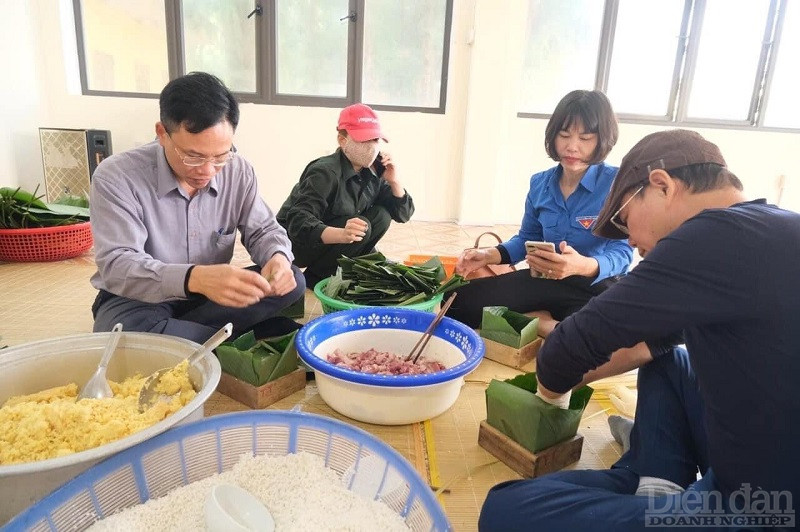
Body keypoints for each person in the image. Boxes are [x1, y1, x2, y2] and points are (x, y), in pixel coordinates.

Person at [479, 130, 800, 531]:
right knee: (670, 361)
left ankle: (657, 482)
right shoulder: (771, 226)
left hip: (765, 504)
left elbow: (566, 350)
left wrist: (550, 397)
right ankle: (658, 481)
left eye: (626, 221)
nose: (630, 239)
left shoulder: (710, 237)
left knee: (505, 510)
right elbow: (646, 344)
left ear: (662, 186)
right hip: (758, 452)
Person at [90, 72, 305, 344]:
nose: (207, 170)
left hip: (209, 298)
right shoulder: (117, 176)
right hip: (138, 300)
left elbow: (263, 229)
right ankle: (237, 337)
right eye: (193, 156)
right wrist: (195, 278)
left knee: (293, 281)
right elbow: (118, 264)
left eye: (220, 156)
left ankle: (188, 339)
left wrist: (278, 259)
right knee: (122, 331)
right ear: (162, 134)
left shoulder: (238, 171)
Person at [449, 90, 633, 330]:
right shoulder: (540, 184)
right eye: (564, 135)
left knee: (589, 335)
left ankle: (541, 323)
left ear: (602, 140)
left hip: (595, 287)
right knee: (455, 303)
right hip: (545, 280)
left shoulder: (617, 184)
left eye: (585, 138)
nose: (572, 147)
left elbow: (623, 253)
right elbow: (527, 239)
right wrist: (487, 256)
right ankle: (546, 321)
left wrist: (584, 266)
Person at [277, 103, 415, 289]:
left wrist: (394, 181)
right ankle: (317, 276)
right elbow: (299, 222)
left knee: (381, 216)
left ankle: (347, 267)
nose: (371, 148)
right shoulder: (324, 172)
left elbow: (402, 215)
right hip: (299, 244)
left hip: (337, 240)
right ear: (342, 140)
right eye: (363, 140)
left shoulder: (374, 170)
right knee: (360, 224)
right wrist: (341, 234)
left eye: (375, 140)